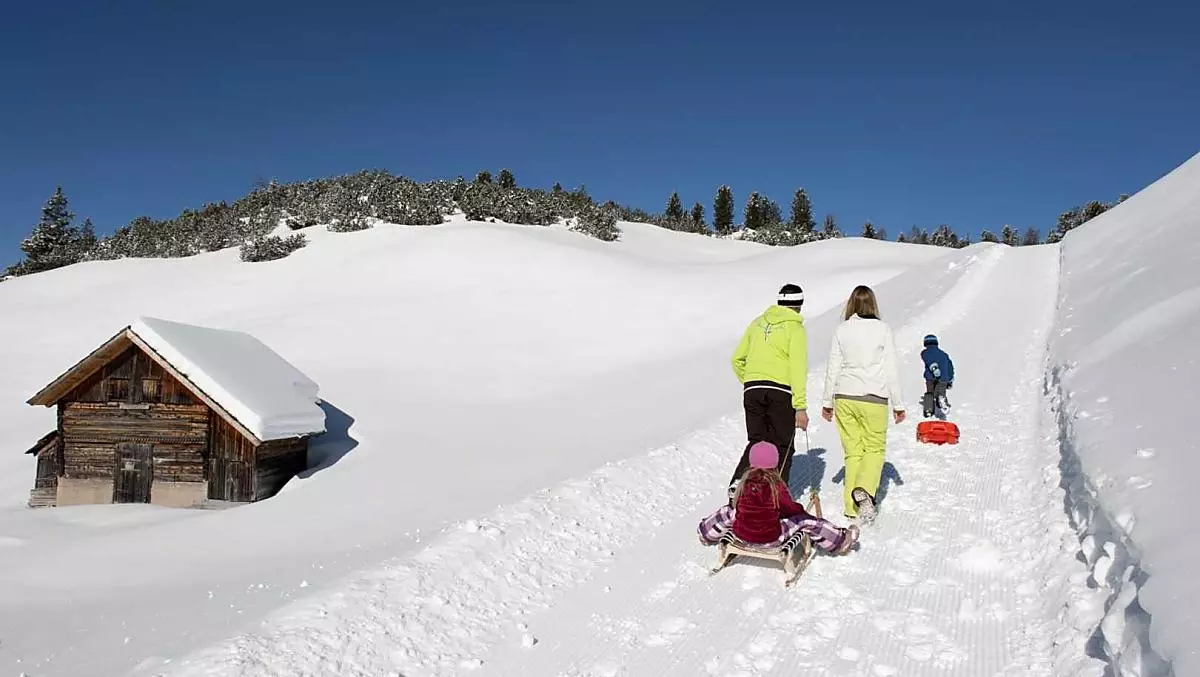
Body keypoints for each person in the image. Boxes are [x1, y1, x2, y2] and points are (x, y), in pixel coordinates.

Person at [820, 285, 905, 523]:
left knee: (853, 452)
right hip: (874, 397)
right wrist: (898, 404)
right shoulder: (882, 329)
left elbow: (833, 367)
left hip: (844, 396)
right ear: (873, 304)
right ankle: (865, 490)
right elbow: (890, 368)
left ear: (851, 304)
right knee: (874, 449)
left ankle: (851, 507)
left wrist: (827, 402)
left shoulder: (842, 330)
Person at [698, 442, 859, 555]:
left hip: (741, 534)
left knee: (727, 511)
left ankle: (705, 532)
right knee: (808, 522)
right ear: (775, 464)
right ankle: (841, 540)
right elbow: (790, 509)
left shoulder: (743, 483)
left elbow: (737, 506)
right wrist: (800, 512)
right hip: (771, 538)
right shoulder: (776, 487)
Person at [729, 284, 809, 493]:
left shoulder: (757, 323)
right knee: (782, 444)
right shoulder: (795, 329)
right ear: (799, 305)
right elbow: (798, 368)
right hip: (781, 391)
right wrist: (800, 406)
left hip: (753, 390)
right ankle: (776, 495)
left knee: (757, 442)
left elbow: (736, 359)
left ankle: (738, 483)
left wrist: (750, 381)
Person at [920, 334, 954, 418]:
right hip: (944, 377)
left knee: (930, 393)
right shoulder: (944, 354)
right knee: (941, 390)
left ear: (925, 343)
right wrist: (950, 379)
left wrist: (934, 368)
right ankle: (941, 400)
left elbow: (929, 360)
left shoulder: (925, 352)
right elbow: (950, 367)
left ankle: (928, 410)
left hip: (930, 377)